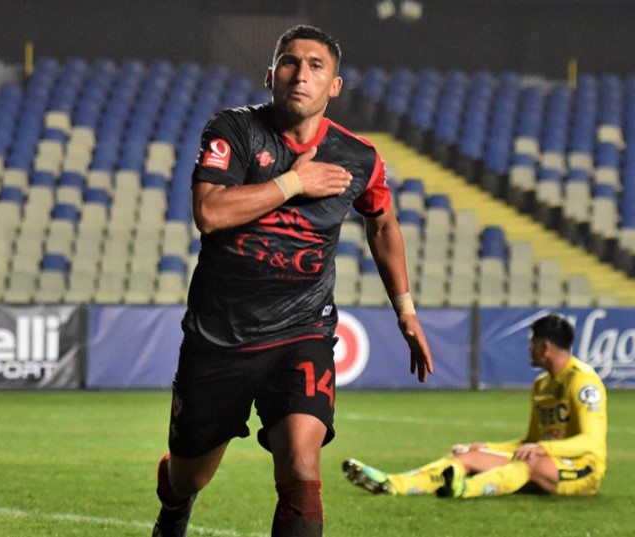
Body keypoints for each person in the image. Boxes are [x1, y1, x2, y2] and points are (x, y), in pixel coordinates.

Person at [152, 25, 434, 536]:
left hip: (301, 333)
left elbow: (383, 225)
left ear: (334, 86)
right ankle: (174, 504)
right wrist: (295, 182)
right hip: (220, 338)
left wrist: (406, 310)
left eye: (316, 66)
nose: (301, 74)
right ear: (270, 76)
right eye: (290, 62)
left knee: (302, 470)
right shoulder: (234, 130)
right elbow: (210, 212)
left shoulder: (359, 157)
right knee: (190, 475)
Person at [343, 313, 606, 499]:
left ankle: (463, 489)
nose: (529, 349)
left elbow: (591, 441)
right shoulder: (541, 385)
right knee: (466, 457)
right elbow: (529, 442)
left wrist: (542, 448)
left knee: (530, 463)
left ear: (545, 347)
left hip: (582, 469)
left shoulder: (583, 382)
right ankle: (393, 483)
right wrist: (484, 447)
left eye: (532, 343)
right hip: (543, 459)